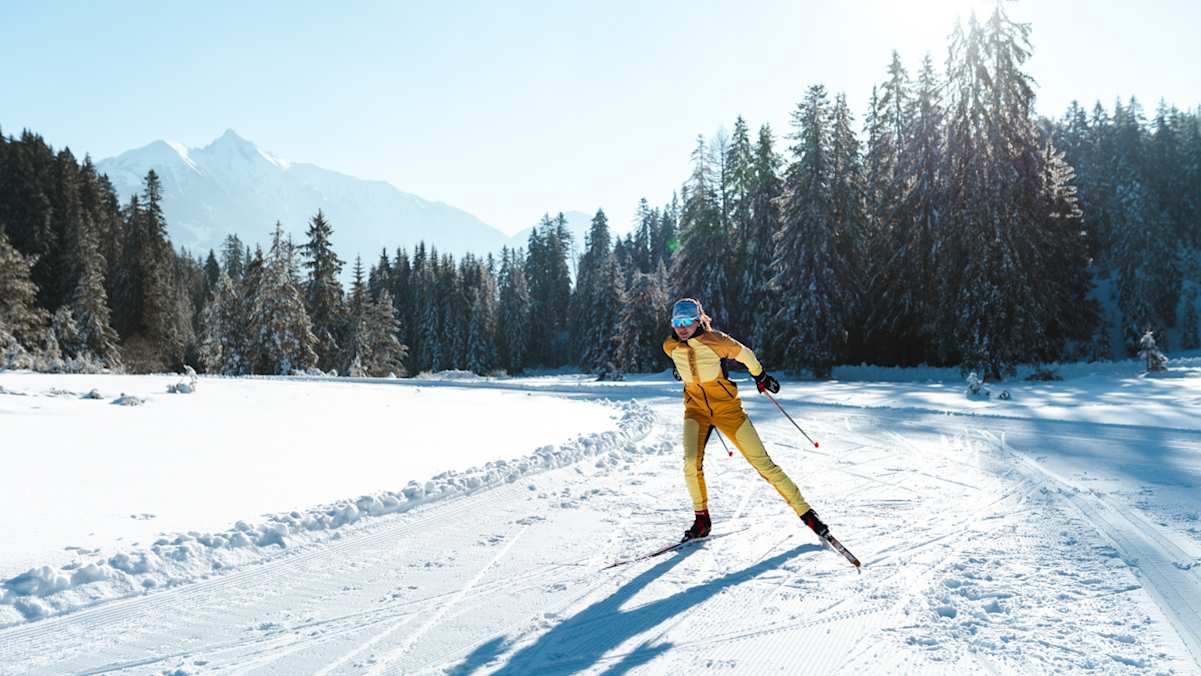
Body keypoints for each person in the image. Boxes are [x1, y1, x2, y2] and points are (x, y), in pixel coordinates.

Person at [662, 297, 829, 542]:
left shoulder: (716, 341)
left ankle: (807, 513)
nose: (682, 327)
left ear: (699, 321)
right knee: (690, 462)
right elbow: (682, 363)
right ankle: (702, 521)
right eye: (677, 322)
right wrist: (682, 369)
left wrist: (760, 375)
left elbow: (745, 354)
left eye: (687, 321)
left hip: (728, 411)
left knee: (763, 464)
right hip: (695, 410)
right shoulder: (670, 346)